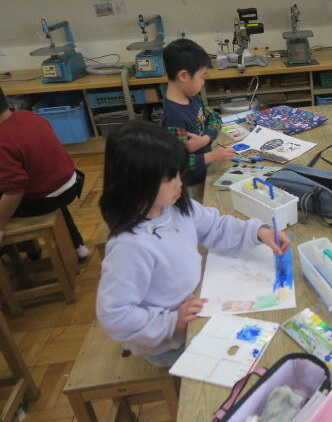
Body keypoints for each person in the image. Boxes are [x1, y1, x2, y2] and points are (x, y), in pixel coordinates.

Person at [96, 120, 290, 367]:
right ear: (136, 182)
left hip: (199, 300)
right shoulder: (129, 247)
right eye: (169, 178)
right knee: (254, 358)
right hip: (170, 339)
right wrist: (173, 322)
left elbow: (215, 227)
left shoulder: (174, 207)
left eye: (178, 172)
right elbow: (115, 315)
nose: (180, 182)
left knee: (268, 331)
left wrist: (258, 232)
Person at [0, 87, 89, 257]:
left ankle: (17, 253)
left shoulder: (2, 139)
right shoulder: (28, 116)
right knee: (44, 187)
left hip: (45, 198)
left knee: (9, 193)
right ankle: (77, 245)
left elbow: (14, 190)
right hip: (68, 183)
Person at [161, 38, 235, 198]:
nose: (203, 82)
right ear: (184, 76)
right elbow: (177, 162)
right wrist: (211, 156)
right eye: (202, 76)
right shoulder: (173, 116)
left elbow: (215, 117)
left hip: (206, 173)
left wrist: (205, 139)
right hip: (190, 185)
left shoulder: (192, 98)